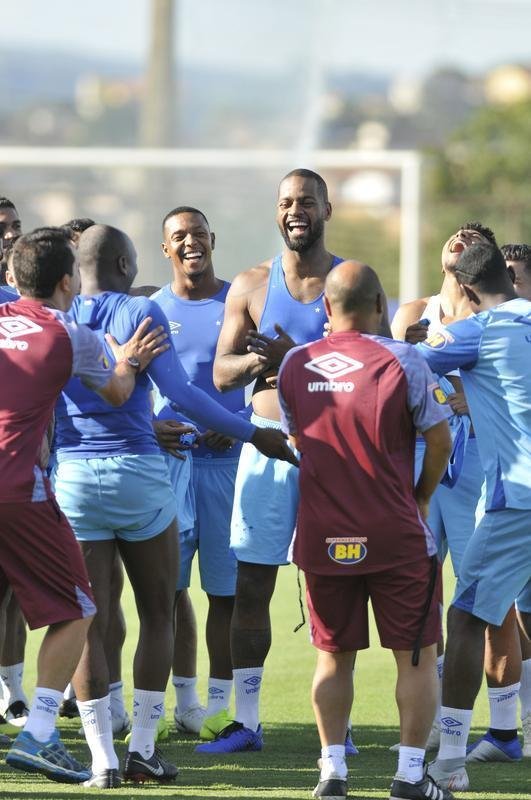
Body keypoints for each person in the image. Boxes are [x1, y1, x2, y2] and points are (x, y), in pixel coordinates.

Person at [52, 224, 296, 788]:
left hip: (76, 480)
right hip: (140, 473)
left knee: (91, 617)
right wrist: (251, 433)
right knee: (160, 610)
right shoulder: (142, 314)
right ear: (123, 262)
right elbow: (185, 394)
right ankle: (142, 748)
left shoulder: (56, 321)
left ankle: (100, 760)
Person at [202, 168, 390, 754]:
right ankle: (249, 722)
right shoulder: (252, 285)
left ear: (327, 210)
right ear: (276, 212)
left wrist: (295, 359)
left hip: (336, 451)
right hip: (267, 444)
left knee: (339, 582)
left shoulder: (353, 280)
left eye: (306, 201)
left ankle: (343, 727)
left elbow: (376, 361)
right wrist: (264, 365)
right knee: (252, 581)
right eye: (285, 203)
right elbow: (220, 372)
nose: (294, 211)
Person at [278, 260, 453, 800]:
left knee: (332, 657)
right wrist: (420, 497)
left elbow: (297, 440)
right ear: (381, 305)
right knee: (416, 655)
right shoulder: (406, 360)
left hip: (322, 536)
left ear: (326, 308)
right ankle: (408, 777)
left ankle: (332, 773)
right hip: (396, 534)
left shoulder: (292, 364)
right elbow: (441, 440)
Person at [1, 226, 167, 783]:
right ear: (68, 280)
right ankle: (42, 732)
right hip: (19, 491)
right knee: (77, 611)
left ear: (11, 279)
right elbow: (119, 393)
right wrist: (129, 360)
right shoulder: (71, 335)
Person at [392, 223, 523, 759]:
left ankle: (447, 762)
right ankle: (507, 734)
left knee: (467, 616)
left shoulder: (480, 329)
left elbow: (398, 369)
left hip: (519, 496)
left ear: (467, 292)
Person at [152, 206, 245, 739]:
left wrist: (238, 423)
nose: (190, 243)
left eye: (198, 234)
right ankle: (184, 705)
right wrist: (149, 426)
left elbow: (269, 380)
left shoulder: (236, 302)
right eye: (178, 237)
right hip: (171, 467)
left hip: (228, 466)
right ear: (165, 248)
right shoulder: (151, 309)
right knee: (167, 590)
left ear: (214, 238)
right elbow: (134, 385)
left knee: (227, 593)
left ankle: (217, 705)